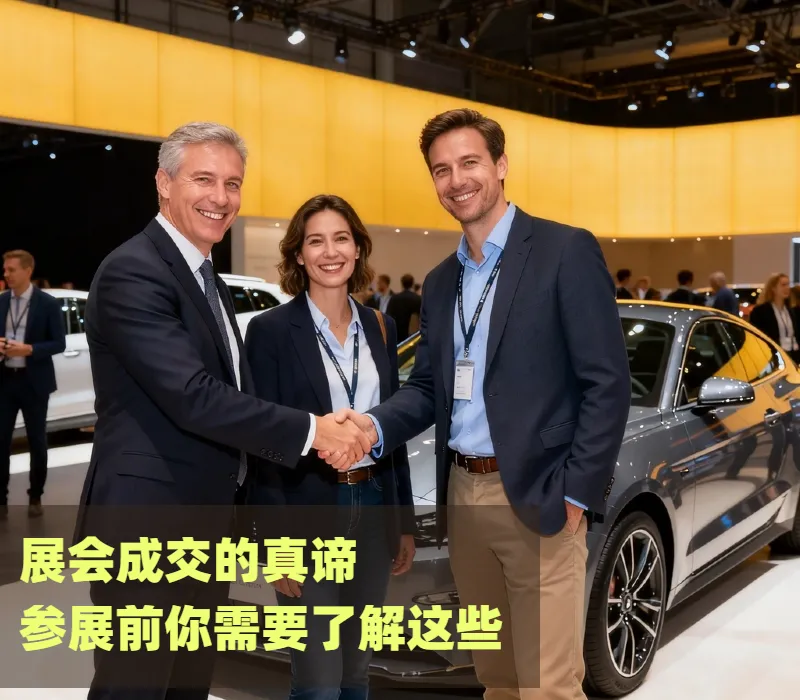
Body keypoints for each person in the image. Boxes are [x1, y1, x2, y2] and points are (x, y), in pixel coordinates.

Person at [328, 108, 630, 700]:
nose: (456, 180)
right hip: (463, 496)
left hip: (540, 497)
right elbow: (428, 388)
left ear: (501, 165)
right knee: (497, 679)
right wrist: (370, 425)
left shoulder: (564, 250)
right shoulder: (443, 280)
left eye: (469, 163)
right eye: (441, 170)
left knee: (548, 685)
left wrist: (576, 493)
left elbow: (607, 382)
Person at [74, 122, 371, 699]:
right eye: (203, 179)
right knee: (133, 685)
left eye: (232, 184)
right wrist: (313, 430)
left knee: (186, 686)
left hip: (202, 529)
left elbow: (230, 393)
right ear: (164, 183)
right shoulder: (135, 270)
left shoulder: (202, 275)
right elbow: (193, 395)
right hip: (147, 530)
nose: (221, 197)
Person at [244, 193, 417, 700]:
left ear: (358, 248)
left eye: (341, 238)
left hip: (373, 506)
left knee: (356, 672)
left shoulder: (380, 326)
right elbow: (261, 443)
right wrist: (273, 545)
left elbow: (391, 429)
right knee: (318, 679)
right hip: (306, 511)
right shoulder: (270, 331)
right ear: (298, 255)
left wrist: (403, 520)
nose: (330, 251)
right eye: (315, 241)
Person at [0, 249, 66, 518]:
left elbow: (58, 343)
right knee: (1, 442)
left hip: (34, 382)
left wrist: (29, 349)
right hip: (5, 381)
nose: (6, 274)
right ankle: (1, 500)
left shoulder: (47, 303)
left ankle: (35, 496)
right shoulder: (1, 302)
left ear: (28, 271)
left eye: (11, 269)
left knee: (37, 442)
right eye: (5, 269)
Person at [749, 272, 800, 363]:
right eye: (783, 285)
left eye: (788, 284)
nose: (787, 288)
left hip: (794, 355)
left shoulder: (791, 310)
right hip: (774, 357)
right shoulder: (761, 311)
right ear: (773, 288)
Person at [386, 273, 422, 341]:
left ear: (402, 283)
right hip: (413, 336)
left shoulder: (394, 298)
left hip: (397, 334)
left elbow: (389, 316)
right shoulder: (417, 299)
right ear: (412, 284)